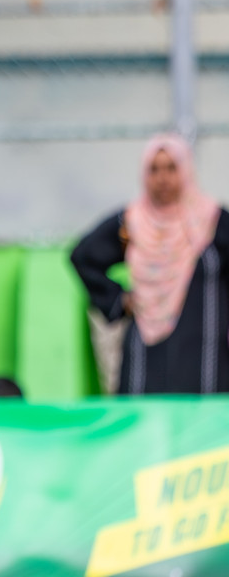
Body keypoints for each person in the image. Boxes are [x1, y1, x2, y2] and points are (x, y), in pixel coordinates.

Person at [71, 134, 229, 395]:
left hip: (205, 357)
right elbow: (84, 256)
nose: (163, 178)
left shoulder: (213, 223)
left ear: (186, 170)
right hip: (146, 351)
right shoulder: (132, 223)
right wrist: (120, 300)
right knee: (147, 421)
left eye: (171, 168)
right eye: (154, 169)